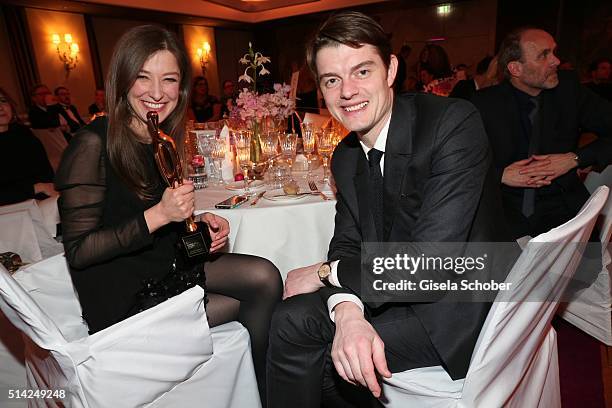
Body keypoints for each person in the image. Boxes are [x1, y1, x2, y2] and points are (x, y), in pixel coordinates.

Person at [267, 11, 508, 408]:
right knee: (292, 315)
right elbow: (346, 243)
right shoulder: (345, 157)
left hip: (462, 307)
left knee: (302, 336)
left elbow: (430, 266)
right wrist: (346, 310)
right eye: (332, 80)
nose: (347, 91)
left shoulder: (452, 124)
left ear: (391, 69)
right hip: (393, 293)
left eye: (362, 71)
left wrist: (327, 274)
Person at [54, 26, 282, 405]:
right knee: (249, 302)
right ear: (122, 79)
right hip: (125, 299)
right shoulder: (91, 144)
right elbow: (78, 250)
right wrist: (159, 215)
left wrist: (200, 224)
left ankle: (261, 389)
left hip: (163, 272)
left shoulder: (161, 139)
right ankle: (258, 391)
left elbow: (160, 230)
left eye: (169, 79)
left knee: (265, 276)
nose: (157, 92)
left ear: (183, 87)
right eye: (143, 77)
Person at [472, 28, 612, 240]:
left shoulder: (569, 90)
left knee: (582, 270)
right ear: (515, 68)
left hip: (564, 207)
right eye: (543, 55)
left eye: (554, 52)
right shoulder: (482, 104)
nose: (556, 61)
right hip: (504, 210)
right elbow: (455, 164)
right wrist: (499, 175)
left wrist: (574, 159)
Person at [0, 87, 56, 205]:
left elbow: (46, 171)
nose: (1, 107)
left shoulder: (23, 133)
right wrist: (36, 188)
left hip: (40, 201)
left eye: (3, 101)